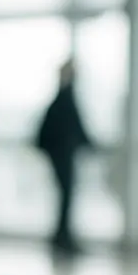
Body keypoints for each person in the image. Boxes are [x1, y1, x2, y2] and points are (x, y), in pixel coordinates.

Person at [36, 59, 91, 255]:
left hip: (62, 155)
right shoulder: (64, 98)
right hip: (62, 156)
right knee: (65, 198)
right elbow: (73, 127)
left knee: (66, 198)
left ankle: (63, 239)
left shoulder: (63, 97)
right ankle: (62, 240)